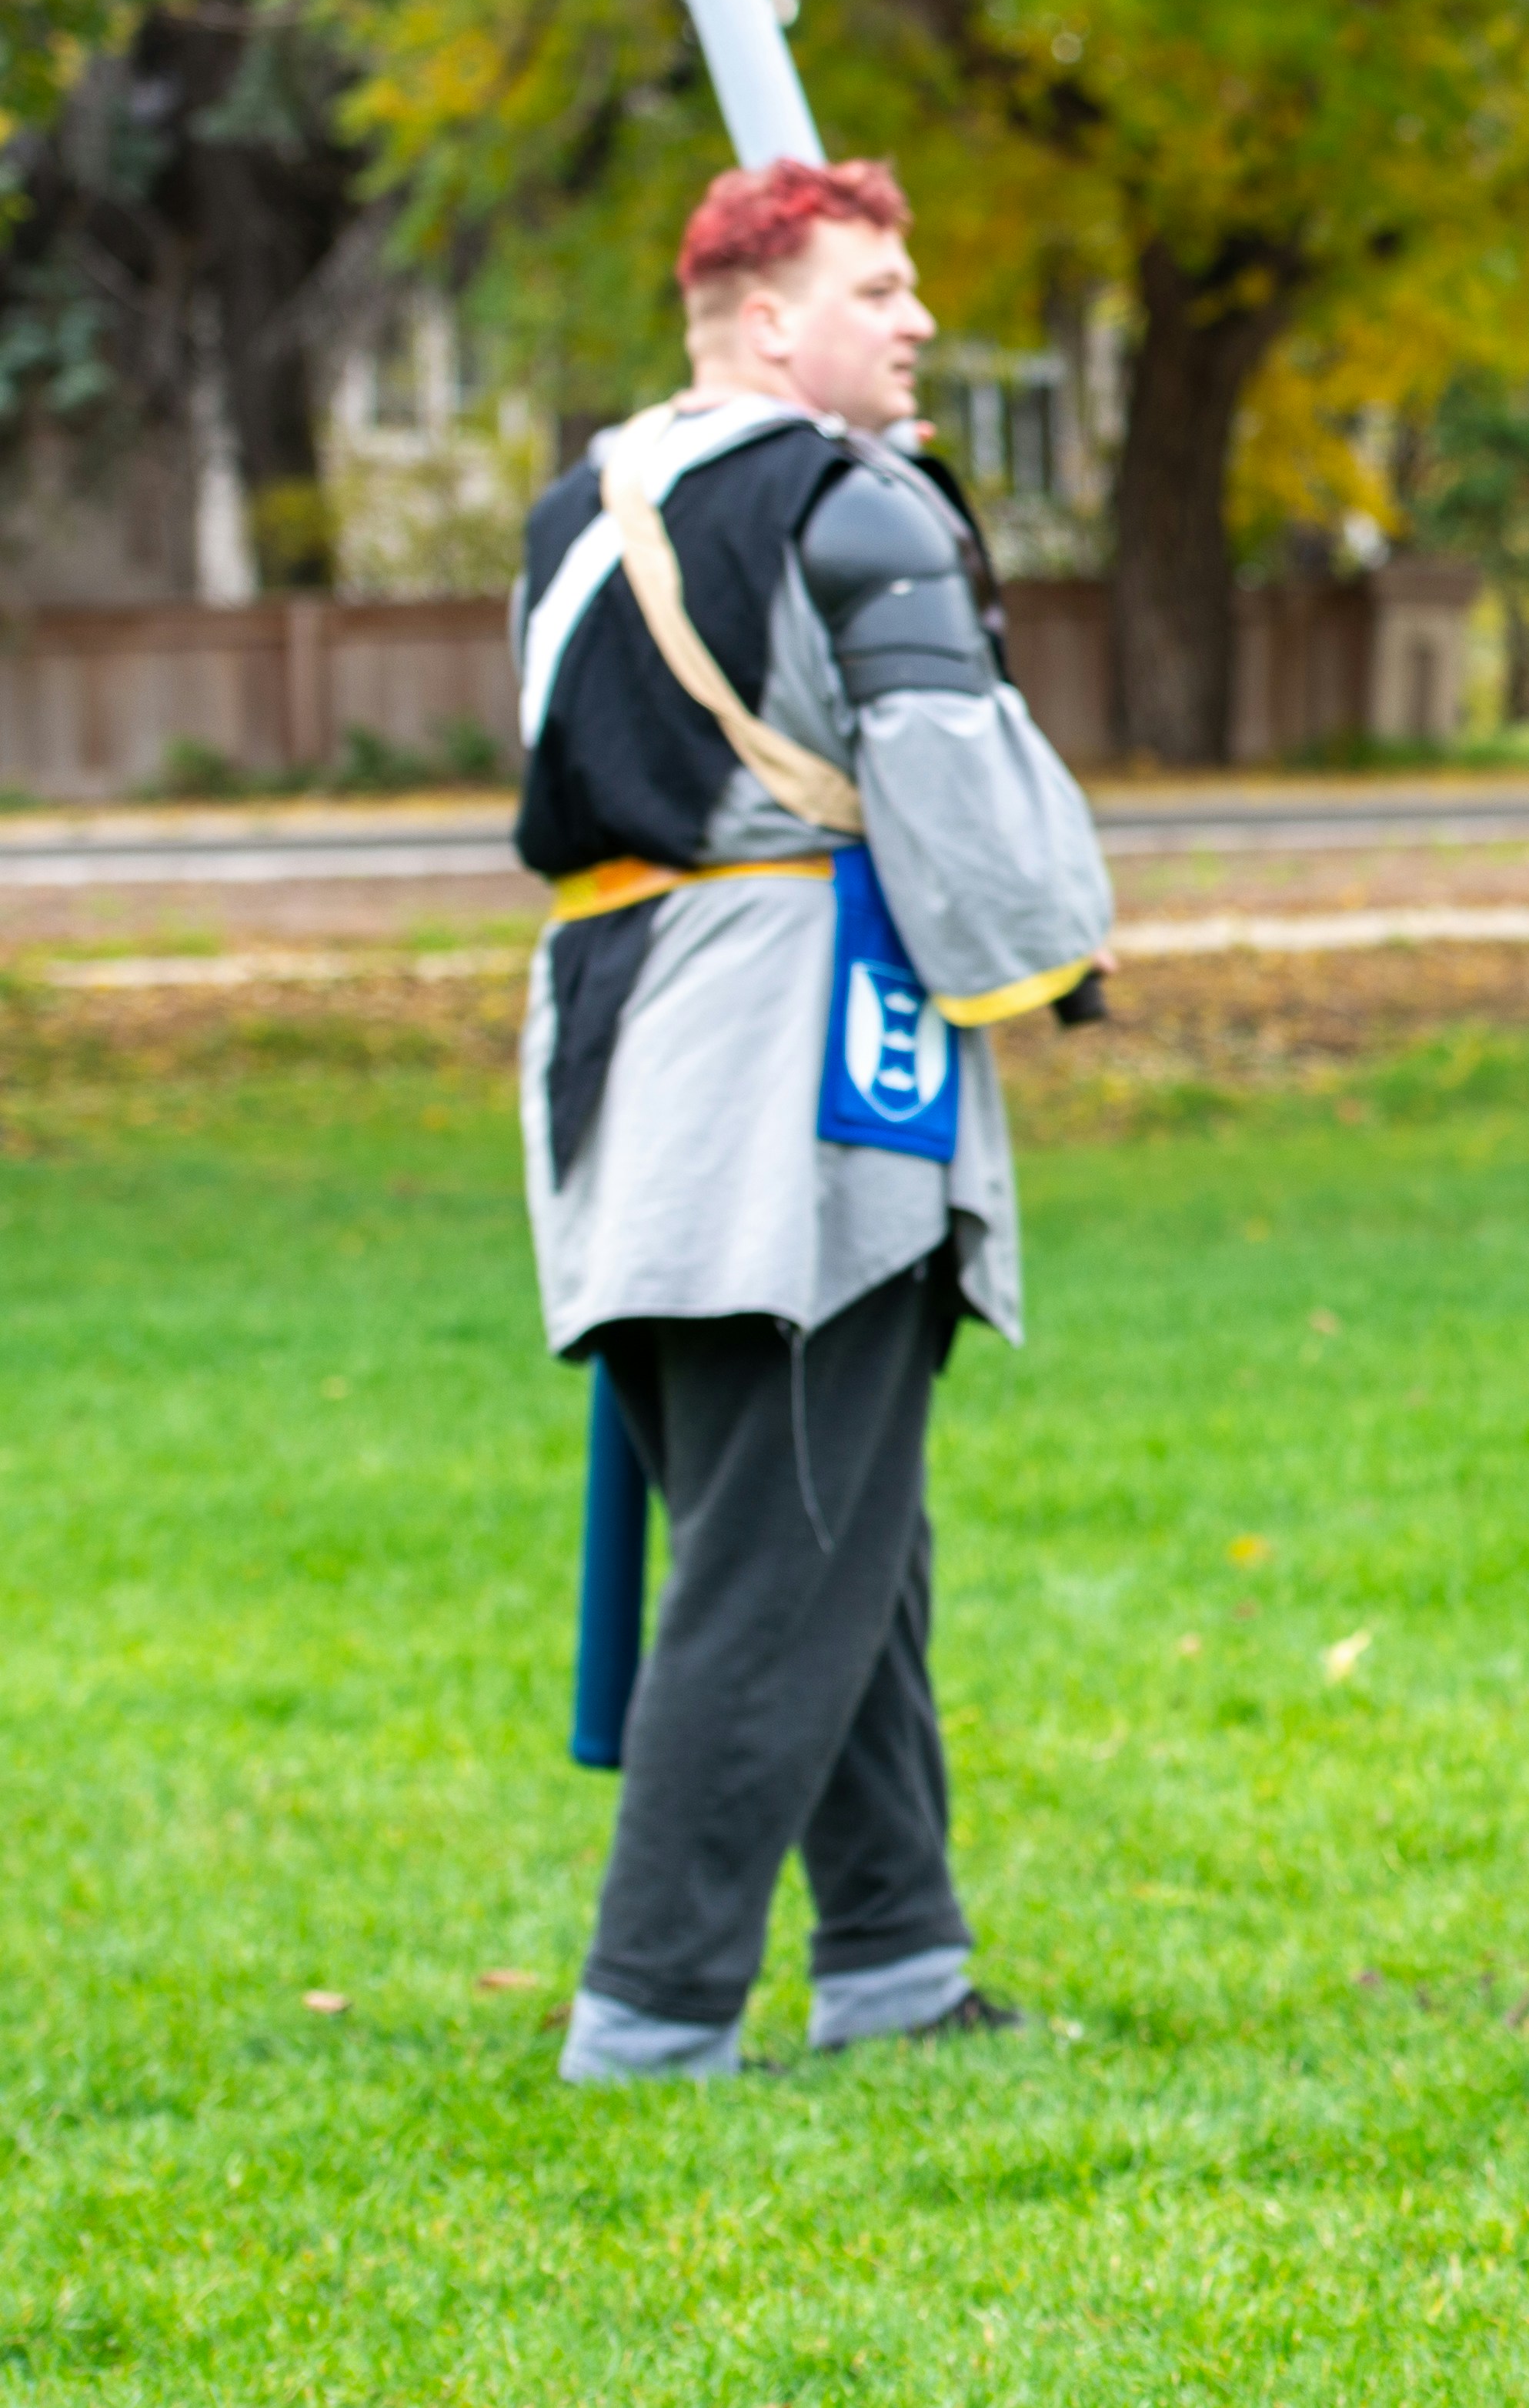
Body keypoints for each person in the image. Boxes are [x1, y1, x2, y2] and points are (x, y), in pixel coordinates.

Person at [510, 156, 1115, 2085]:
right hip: (796, 1068)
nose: (918, 316)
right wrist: (1053, 954)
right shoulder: (858, 505)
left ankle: (895, 1958)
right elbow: (949, 773)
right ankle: (656, 2009)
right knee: (787, 1547)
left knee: (827, 1521)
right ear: (770, 320)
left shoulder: (575, 514)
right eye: (878, 286)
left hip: (617, 1058)